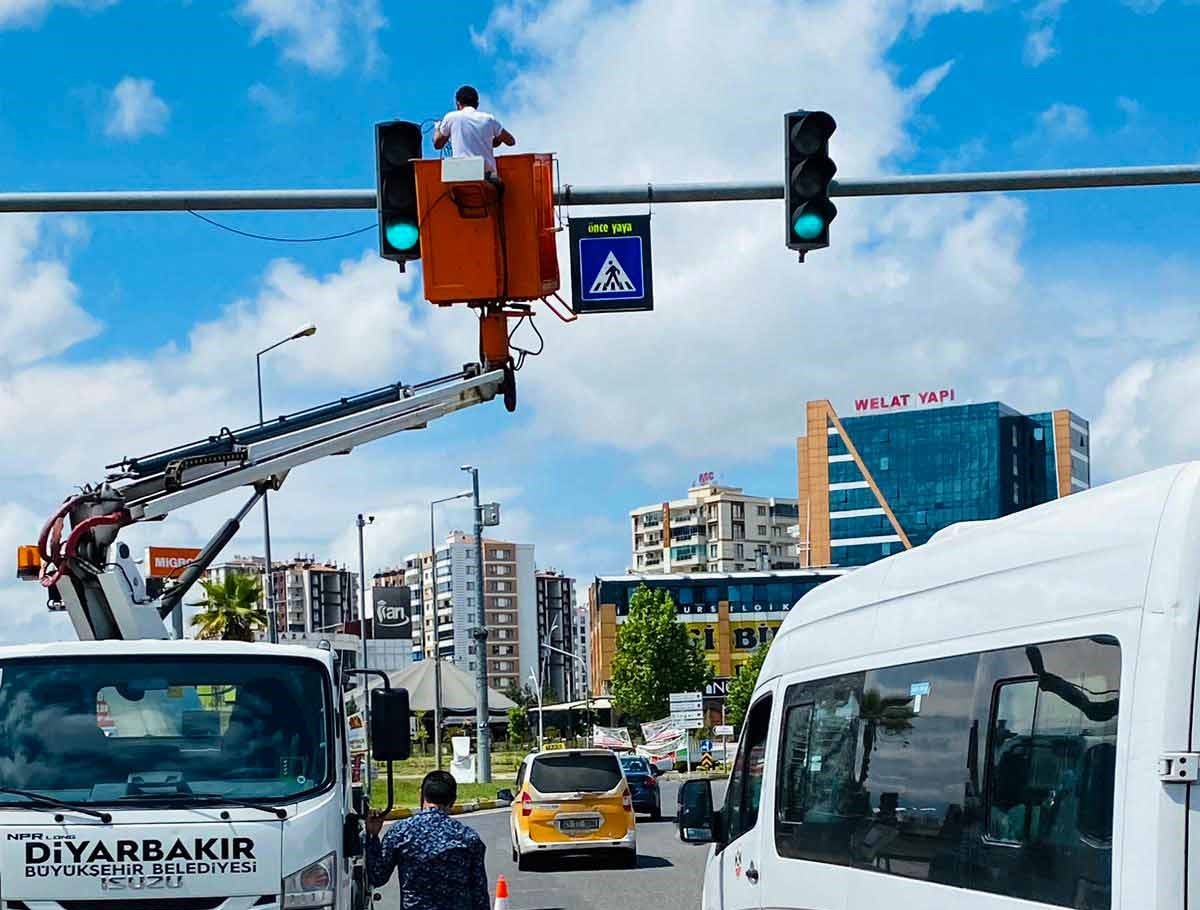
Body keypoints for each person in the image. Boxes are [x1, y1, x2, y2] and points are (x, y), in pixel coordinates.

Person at [366, 770, 489, 910]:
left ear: (422, 796)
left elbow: (377, 876)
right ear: (453, 801)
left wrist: (373, 837)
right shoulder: (468, 838)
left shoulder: (401, 832)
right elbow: (479, 895)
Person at [432, 85, 515, 177]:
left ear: (458, 103)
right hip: (486, 177)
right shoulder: (488, 119)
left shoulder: (451, 117)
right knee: (501, 188)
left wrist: (437, 128)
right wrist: (494, 140)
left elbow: (437, 144)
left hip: (459, 176)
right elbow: (510, 141)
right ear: (477, 104)